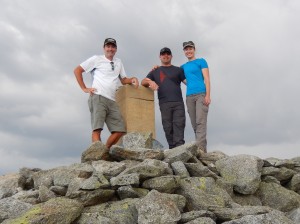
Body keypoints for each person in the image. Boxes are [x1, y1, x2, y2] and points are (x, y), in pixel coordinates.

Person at [74, 38, 139, 149]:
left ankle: (105, 151)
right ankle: (98, 156)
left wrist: (132, 79)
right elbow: (77, 70)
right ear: (104, 48)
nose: (110, 49)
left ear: (116, 49)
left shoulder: (118, 62)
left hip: (112, 100)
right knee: (97, 129)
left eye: (113, 46)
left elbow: (123, 80)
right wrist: (84, 88)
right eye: (108, 46)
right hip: (98, 96)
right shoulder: (96, 59)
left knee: (119, 130)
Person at [142, 47, 186, 149]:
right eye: (163, 54)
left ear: (171, 56)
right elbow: (143, 82)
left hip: (178, 103)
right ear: (160, 57)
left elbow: (187, 82)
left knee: (179, 125)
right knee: (167, 127)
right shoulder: (155, 70)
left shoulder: (178, 70)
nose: (166, 56)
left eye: (168, 54)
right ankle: (172, 148)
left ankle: (180, 149)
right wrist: (150, 81)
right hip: (164, 103)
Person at [181, 41, 211, 152]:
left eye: (190, 49)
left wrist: (208, 95)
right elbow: (181, 79)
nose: (188, 51)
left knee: (200, 122)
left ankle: (201, 152)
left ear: (194, 49)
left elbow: (207, 79)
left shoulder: (201, 61)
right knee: (195, 125)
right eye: (186, 49)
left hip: (201, 94)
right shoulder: (183, 67)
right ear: (184, 51)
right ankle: (201, 149)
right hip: (189, 97)